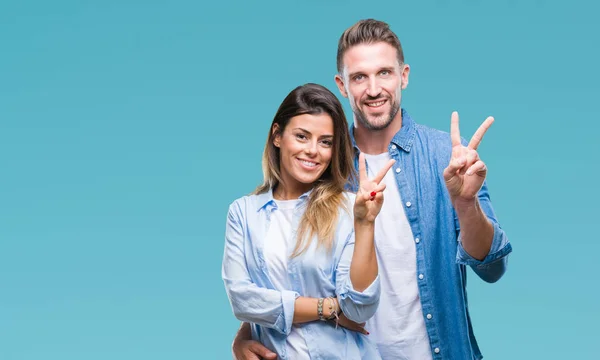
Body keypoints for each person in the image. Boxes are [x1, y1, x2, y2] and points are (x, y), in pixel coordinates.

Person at [232, 20, 513, 360]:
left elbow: (493, 269)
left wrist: (465, 204)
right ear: (342, 85)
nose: (374, 89)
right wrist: (248, 331)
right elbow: (286, 270)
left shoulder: (446, 156)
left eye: (384, 73)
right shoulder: (321, 169)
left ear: (404, 76)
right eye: (359, 77)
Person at [222, 83, 395, 359]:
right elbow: (242, 299)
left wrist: (364, 224)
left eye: (325, 141)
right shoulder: (243, 213)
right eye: (302, 136)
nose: (313, 150)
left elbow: (359, 308)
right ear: (277, 136)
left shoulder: (349, 208)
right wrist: (326, 308)